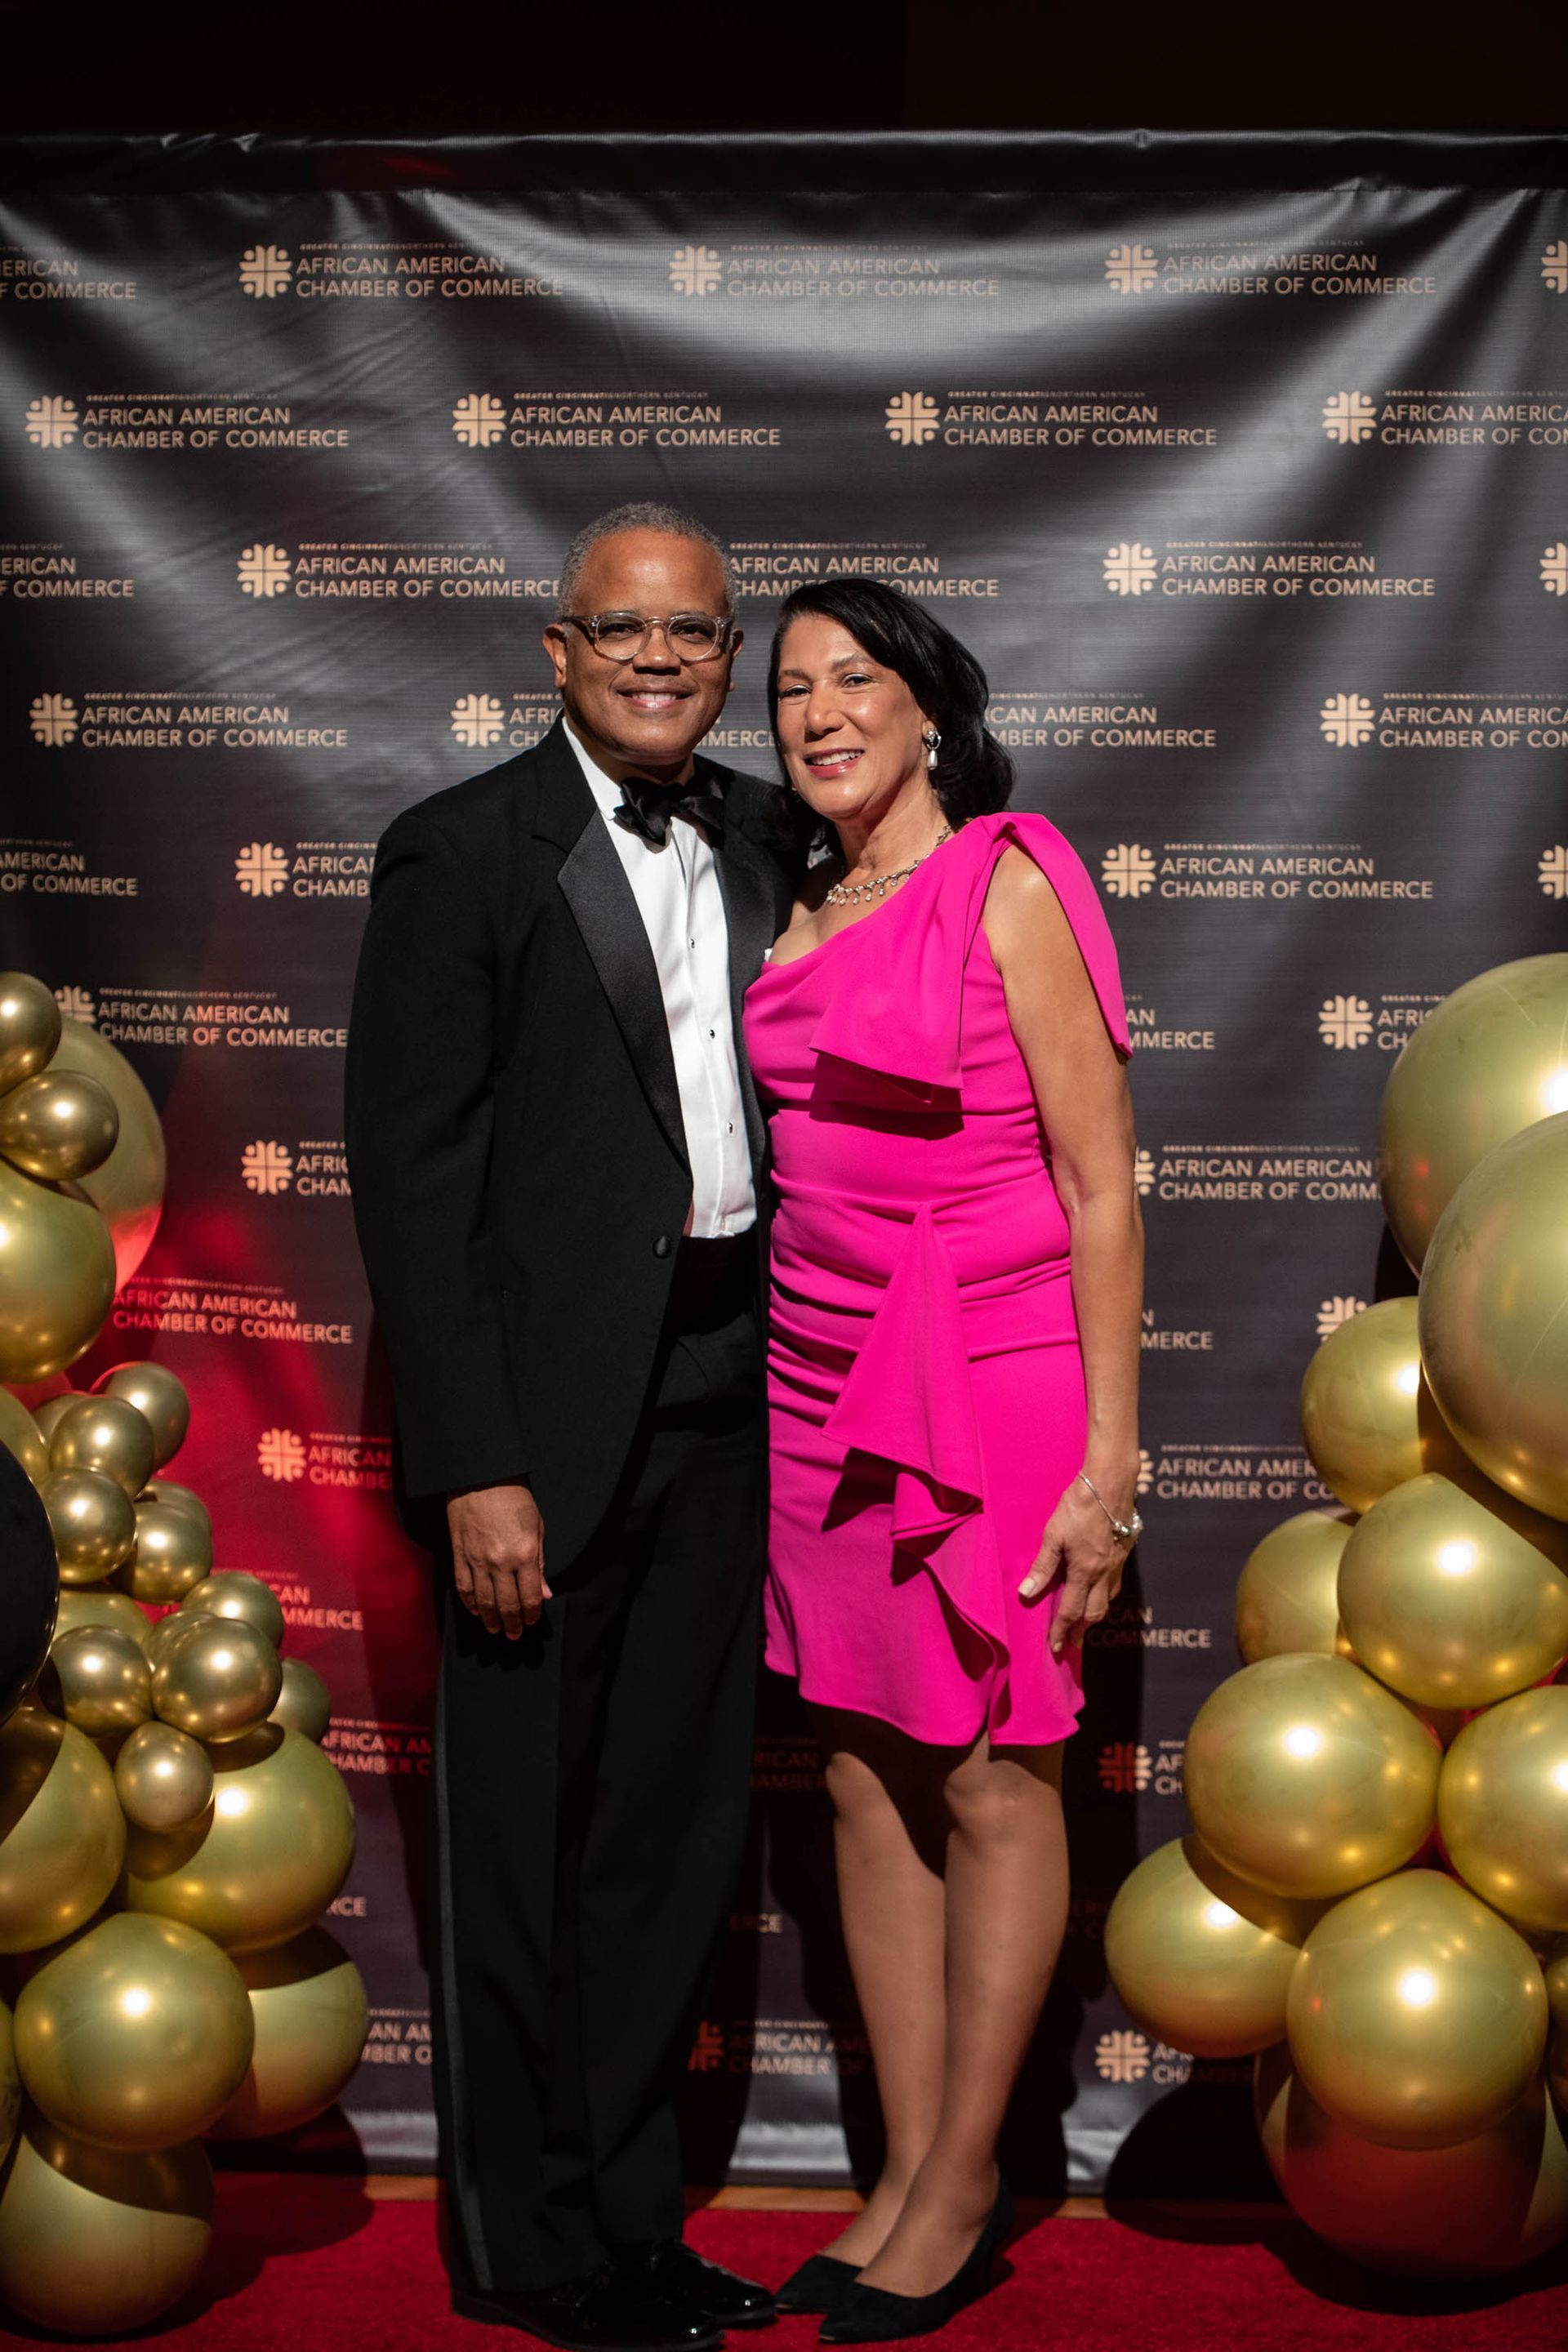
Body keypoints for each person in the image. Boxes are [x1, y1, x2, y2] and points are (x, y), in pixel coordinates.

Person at [345, 503, 794, 2352]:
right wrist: (478, 1465)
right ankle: (526, 2251)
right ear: (559, 649)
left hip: (734, 1397)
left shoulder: (771, 834)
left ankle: (632, 2221)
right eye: (625, 629)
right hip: (538, 1435)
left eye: (695, 631)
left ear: (730, 654)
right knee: (523, 1853)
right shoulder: (461, 851)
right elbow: (414, 1184)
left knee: (666, 1852)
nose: (661, 658)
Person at [742, 579, 1143, 2344]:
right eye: (791, 691)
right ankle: (904, 2173)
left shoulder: (1010, 880)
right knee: (856, 1771)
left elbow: (1100, 1184)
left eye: (856, 680)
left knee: (991, 1777)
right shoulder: (796, 899)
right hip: (815, 1374)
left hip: (994, 1379)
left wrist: (1109, 1463)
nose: (820, 713)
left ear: (929, 709)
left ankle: (969, 2183)